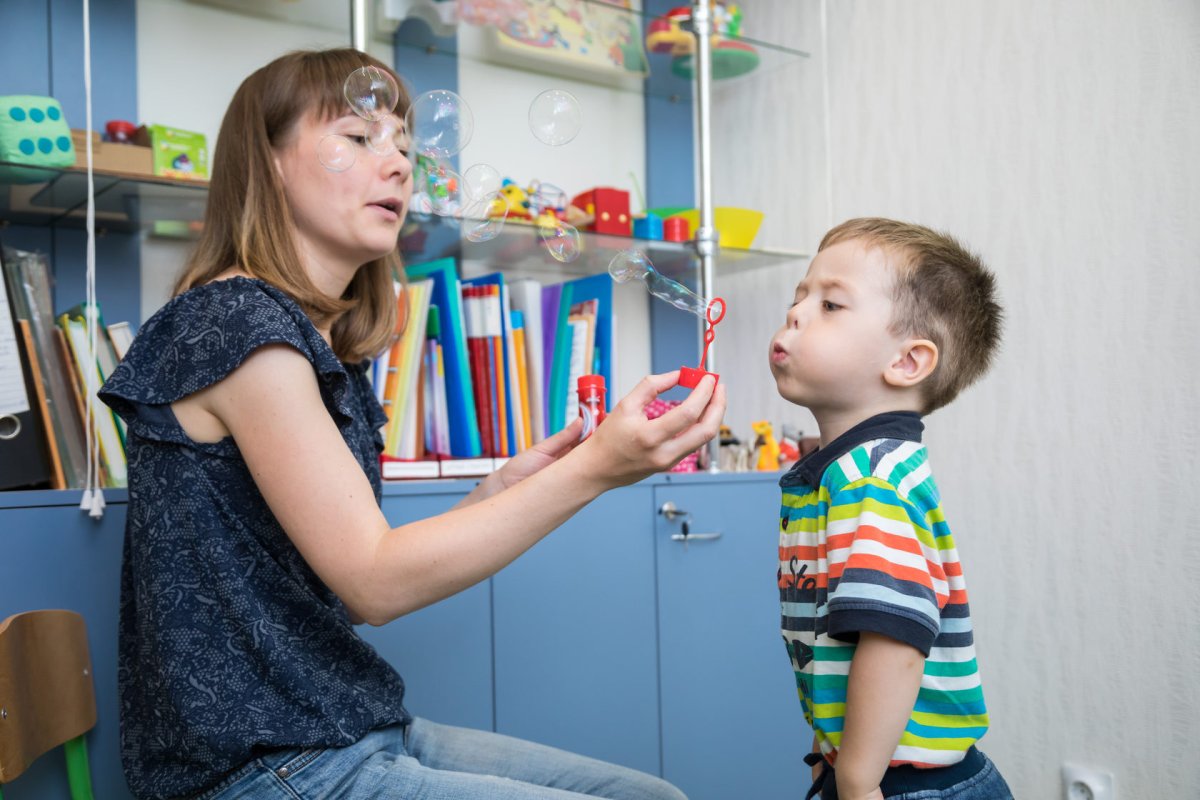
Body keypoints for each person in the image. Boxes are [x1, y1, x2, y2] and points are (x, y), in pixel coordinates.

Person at [99, 48, 723, 800]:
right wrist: (597, 470)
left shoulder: (314, 342)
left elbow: (335, 572)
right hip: (262, 766)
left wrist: (498, 489)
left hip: (339, 725)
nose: (396, 163)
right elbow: (375, 584)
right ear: (268, 164)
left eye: (401, 142)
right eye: (359, 138)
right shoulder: (239, 325)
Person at [768, 218, 1013, 800]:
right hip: (874, 771)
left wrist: (856, 777)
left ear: (907, 362)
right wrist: (833, 755)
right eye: (798, 297)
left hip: (906, 789)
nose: (797, 312)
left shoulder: (871, 479)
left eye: (830, 304)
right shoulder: (844, 474)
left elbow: (894, 644)